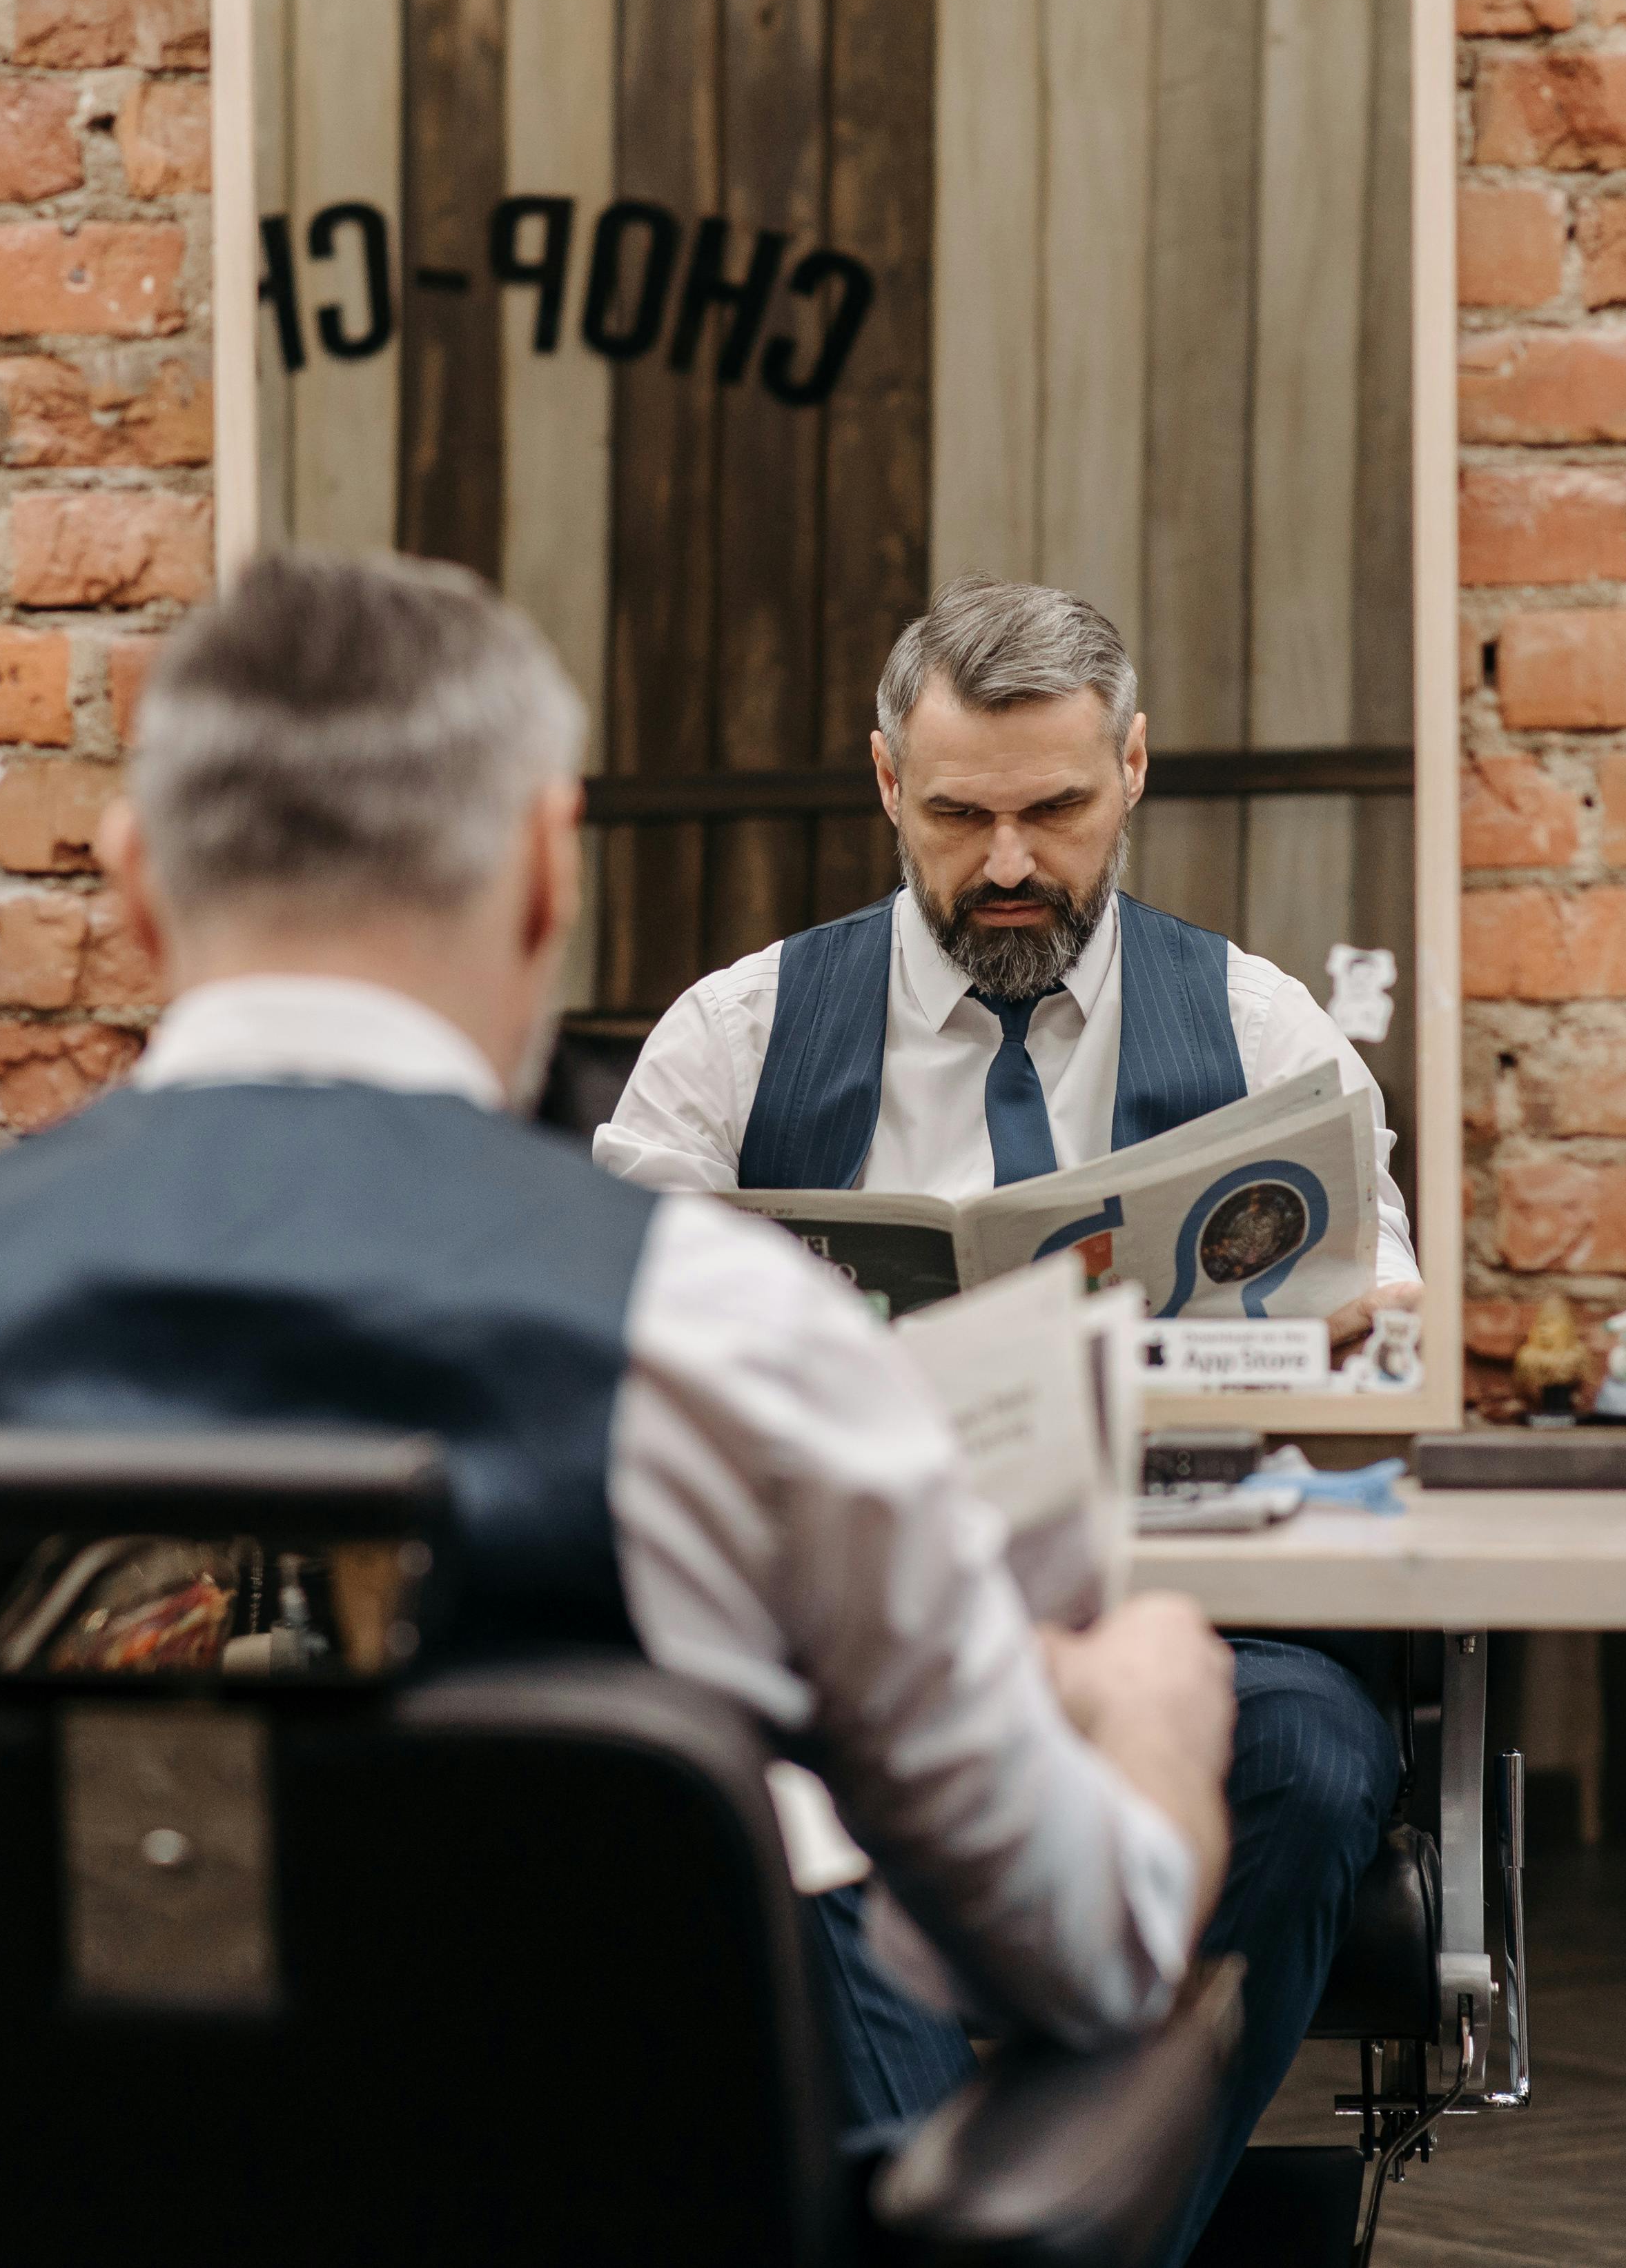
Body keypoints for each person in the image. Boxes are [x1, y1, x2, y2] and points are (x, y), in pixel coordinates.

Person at [0, 548, 1245, 2240]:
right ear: (538, 878)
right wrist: (1151, 1722)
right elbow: (1076, 1955)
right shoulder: (732, 1349)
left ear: (136, 889)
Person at [596, 576, 1411, 2257]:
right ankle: (953, 2222)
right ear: (889, 783)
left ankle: (1061, 2230)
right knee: (753, 1774)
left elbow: (1384, 1405)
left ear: (1130, 771)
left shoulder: (1268, 1036)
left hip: (1190, 1617)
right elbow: (604, 1368)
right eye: (960, 815)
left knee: (1320, 1762)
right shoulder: (730, 1040)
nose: (1011, 863)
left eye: (1054, 809)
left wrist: (1367, 1347)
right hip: (842, 1633)